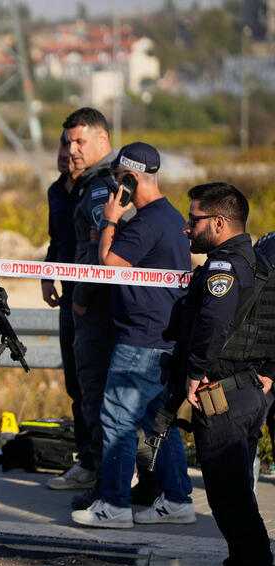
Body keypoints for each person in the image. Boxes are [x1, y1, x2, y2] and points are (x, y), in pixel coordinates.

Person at [71, 142, 193, 528]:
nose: (113, 186)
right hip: (161, 337)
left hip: (140, 340)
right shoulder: (169, 217)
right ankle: (177, 499)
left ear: (131, 179)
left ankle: (114, 505)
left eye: (117, 178)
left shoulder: (145, 223)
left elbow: (110, 266)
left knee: (117, 419)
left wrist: (110, 222)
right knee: (159, 423)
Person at [175, 183, 274, 566]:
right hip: (247, 392)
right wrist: (267, 372)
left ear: (218, 223)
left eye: (193, 219)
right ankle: (245, 562)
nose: (187, 228)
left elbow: (213, 324)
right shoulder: (259, 262)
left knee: (229, 498)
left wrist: (194, 372)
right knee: (237, 493)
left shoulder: (224, 267)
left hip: (224, 396)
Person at [42, 132, 94, 491]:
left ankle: (109, 466)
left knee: (94, 384)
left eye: (75, 145)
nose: (68, 152)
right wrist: (47, 275)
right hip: (68, 296)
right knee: (75, 383)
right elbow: (56, 239)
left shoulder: (96, 187)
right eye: (63, 145)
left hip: (93, 300)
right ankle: (87, 462)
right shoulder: (56, 191)